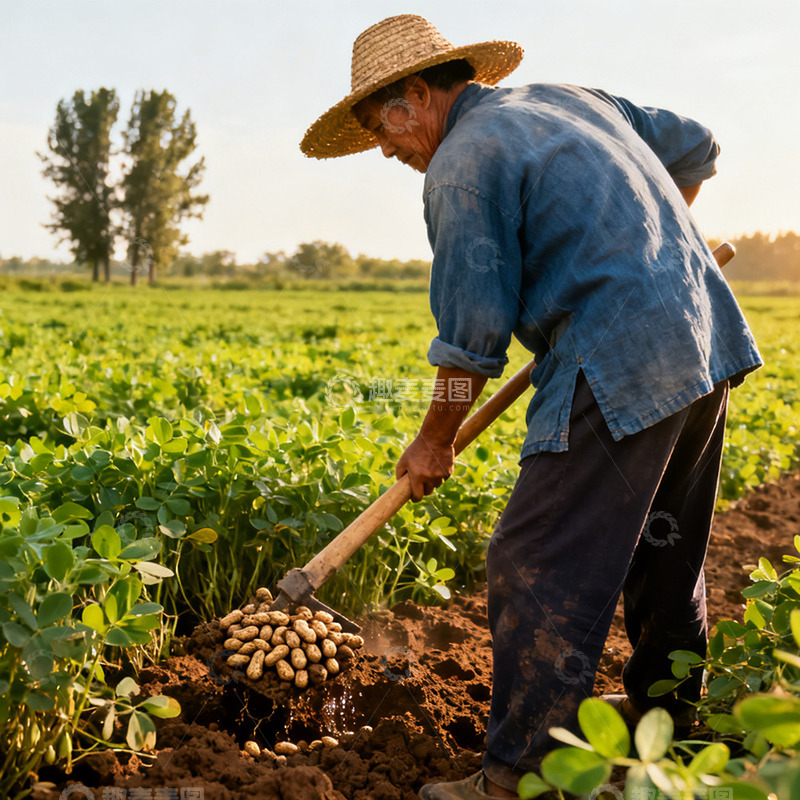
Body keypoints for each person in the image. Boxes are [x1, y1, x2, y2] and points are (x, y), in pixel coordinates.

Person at [300, 14, 762, 800]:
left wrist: (431, 444)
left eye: (384, 125)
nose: (385, 148)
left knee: (533, 561)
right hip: (701, 342)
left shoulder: (460, 167)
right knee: (666, 553)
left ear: (417, 94)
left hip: (617, 364)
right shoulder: (568, 98)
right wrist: (662, 246)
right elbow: (697, 144)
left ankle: (525, 775)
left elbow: (471, 335)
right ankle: (676, 726)